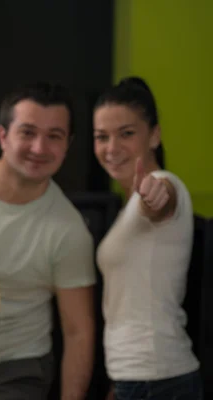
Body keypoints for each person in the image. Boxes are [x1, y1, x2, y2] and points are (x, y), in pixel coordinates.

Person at [0, 82, 96, 400]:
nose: (39, 148)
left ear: (67, 144)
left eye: (54, 136)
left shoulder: (69, 231)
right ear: (3, 135)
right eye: (27, 132)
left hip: (14, 369)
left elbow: (78, 332)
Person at [93, 77, 203, 400]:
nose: (111, 148)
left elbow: (162, 200)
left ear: (154, 135)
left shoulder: (164, 183)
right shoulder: (126, 206)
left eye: (126, 133)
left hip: (158, 379)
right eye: (102, 137)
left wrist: (155, 197)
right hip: (138, 377)